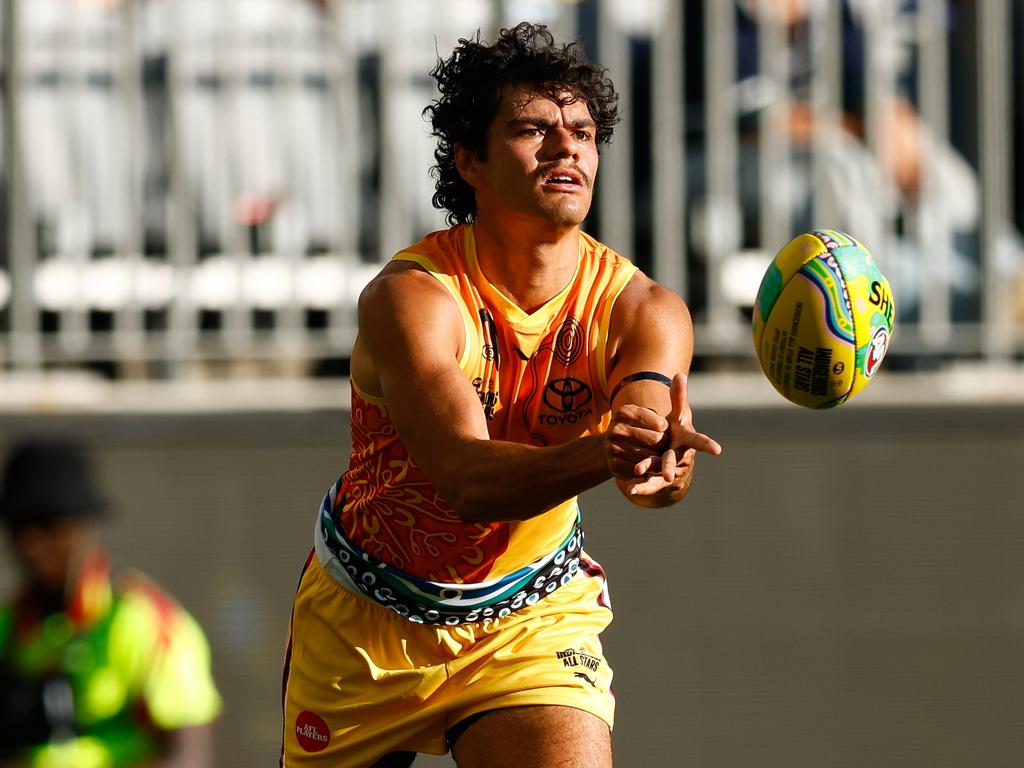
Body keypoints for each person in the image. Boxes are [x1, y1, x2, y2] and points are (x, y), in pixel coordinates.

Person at [280, 22, 722, 768]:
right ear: (470, 160)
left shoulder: (646, 309)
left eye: (582, 132)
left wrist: (658, 468)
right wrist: (608, 455)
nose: (566, 148)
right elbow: (466, 481)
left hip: (528, 619)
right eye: (531, 129)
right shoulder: (414, 297)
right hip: (364, 626)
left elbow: (649, 456)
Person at [0, 439, 222, 768]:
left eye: (47, 525)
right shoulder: (8, 626)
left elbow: (189, 755)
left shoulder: (143, 619)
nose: (31, 544)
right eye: (20, 527)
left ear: (83, 527)